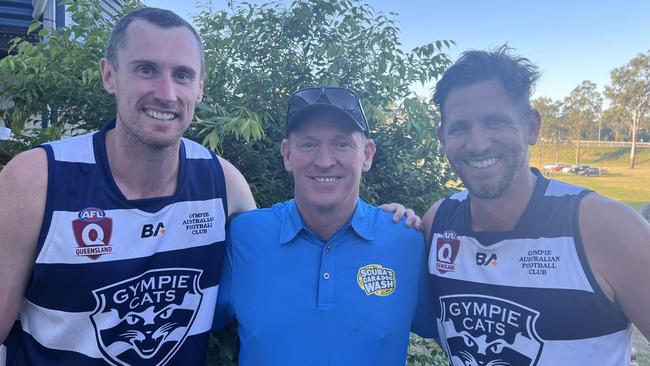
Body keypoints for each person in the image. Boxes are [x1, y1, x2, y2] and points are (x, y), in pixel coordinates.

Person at [0, 8, 257, 365]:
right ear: (110, 75)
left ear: (199, 87)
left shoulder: (224, 186)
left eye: (182, 75)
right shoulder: (35, 181)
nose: (166, 93)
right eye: (146, 69)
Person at [422, 46, 650, 366]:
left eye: (495, 122)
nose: (478, 143)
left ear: (531, 127)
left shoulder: (606, 228)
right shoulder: (437, 224)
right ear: (442, 137)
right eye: (460, 127)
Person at [213, 86, 434, 365]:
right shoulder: (244, 236)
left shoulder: (407, 240)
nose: (325, 161)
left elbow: (458, 331)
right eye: (308, 144)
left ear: (367, 155)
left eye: (342, 143)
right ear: (287, 154)